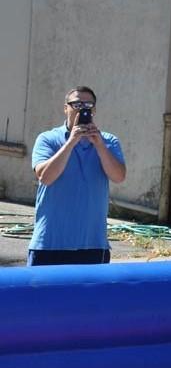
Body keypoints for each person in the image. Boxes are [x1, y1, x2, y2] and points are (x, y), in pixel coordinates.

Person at [28, 86, 126, 266]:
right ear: (66, 108)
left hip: (93, 246)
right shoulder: (47, 139)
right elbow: (45, 177)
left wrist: (100, 146)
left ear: (94, 110)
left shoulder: (108, 141)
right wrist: (71, 142)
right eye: (77, 104)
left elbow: (119, 176)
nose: (83, 109)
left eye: (88, 105)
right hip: (50, 245)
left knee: (93, 296)